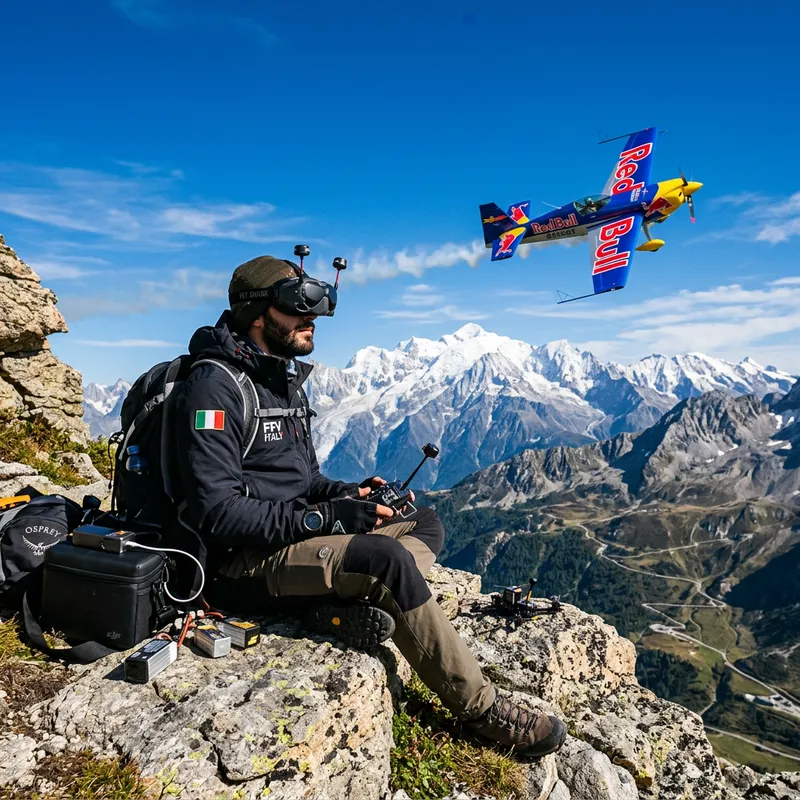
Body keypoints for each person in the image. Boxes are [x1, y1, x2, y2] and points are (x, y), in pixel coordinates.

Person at [170, 253, 567, 758]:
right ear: (257, 315)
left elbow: (304, 479)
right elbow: (217, 513)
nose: (311, 320)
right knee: (387, 561)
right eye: (296, 308)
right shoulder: (215, 387)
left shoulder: (280, 378)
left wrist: (348, 493)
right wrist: (326, 518)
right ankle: (481, 709)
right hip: (239, 564)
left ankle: (336, 601)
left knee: (420, 521)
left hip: (290, 536)